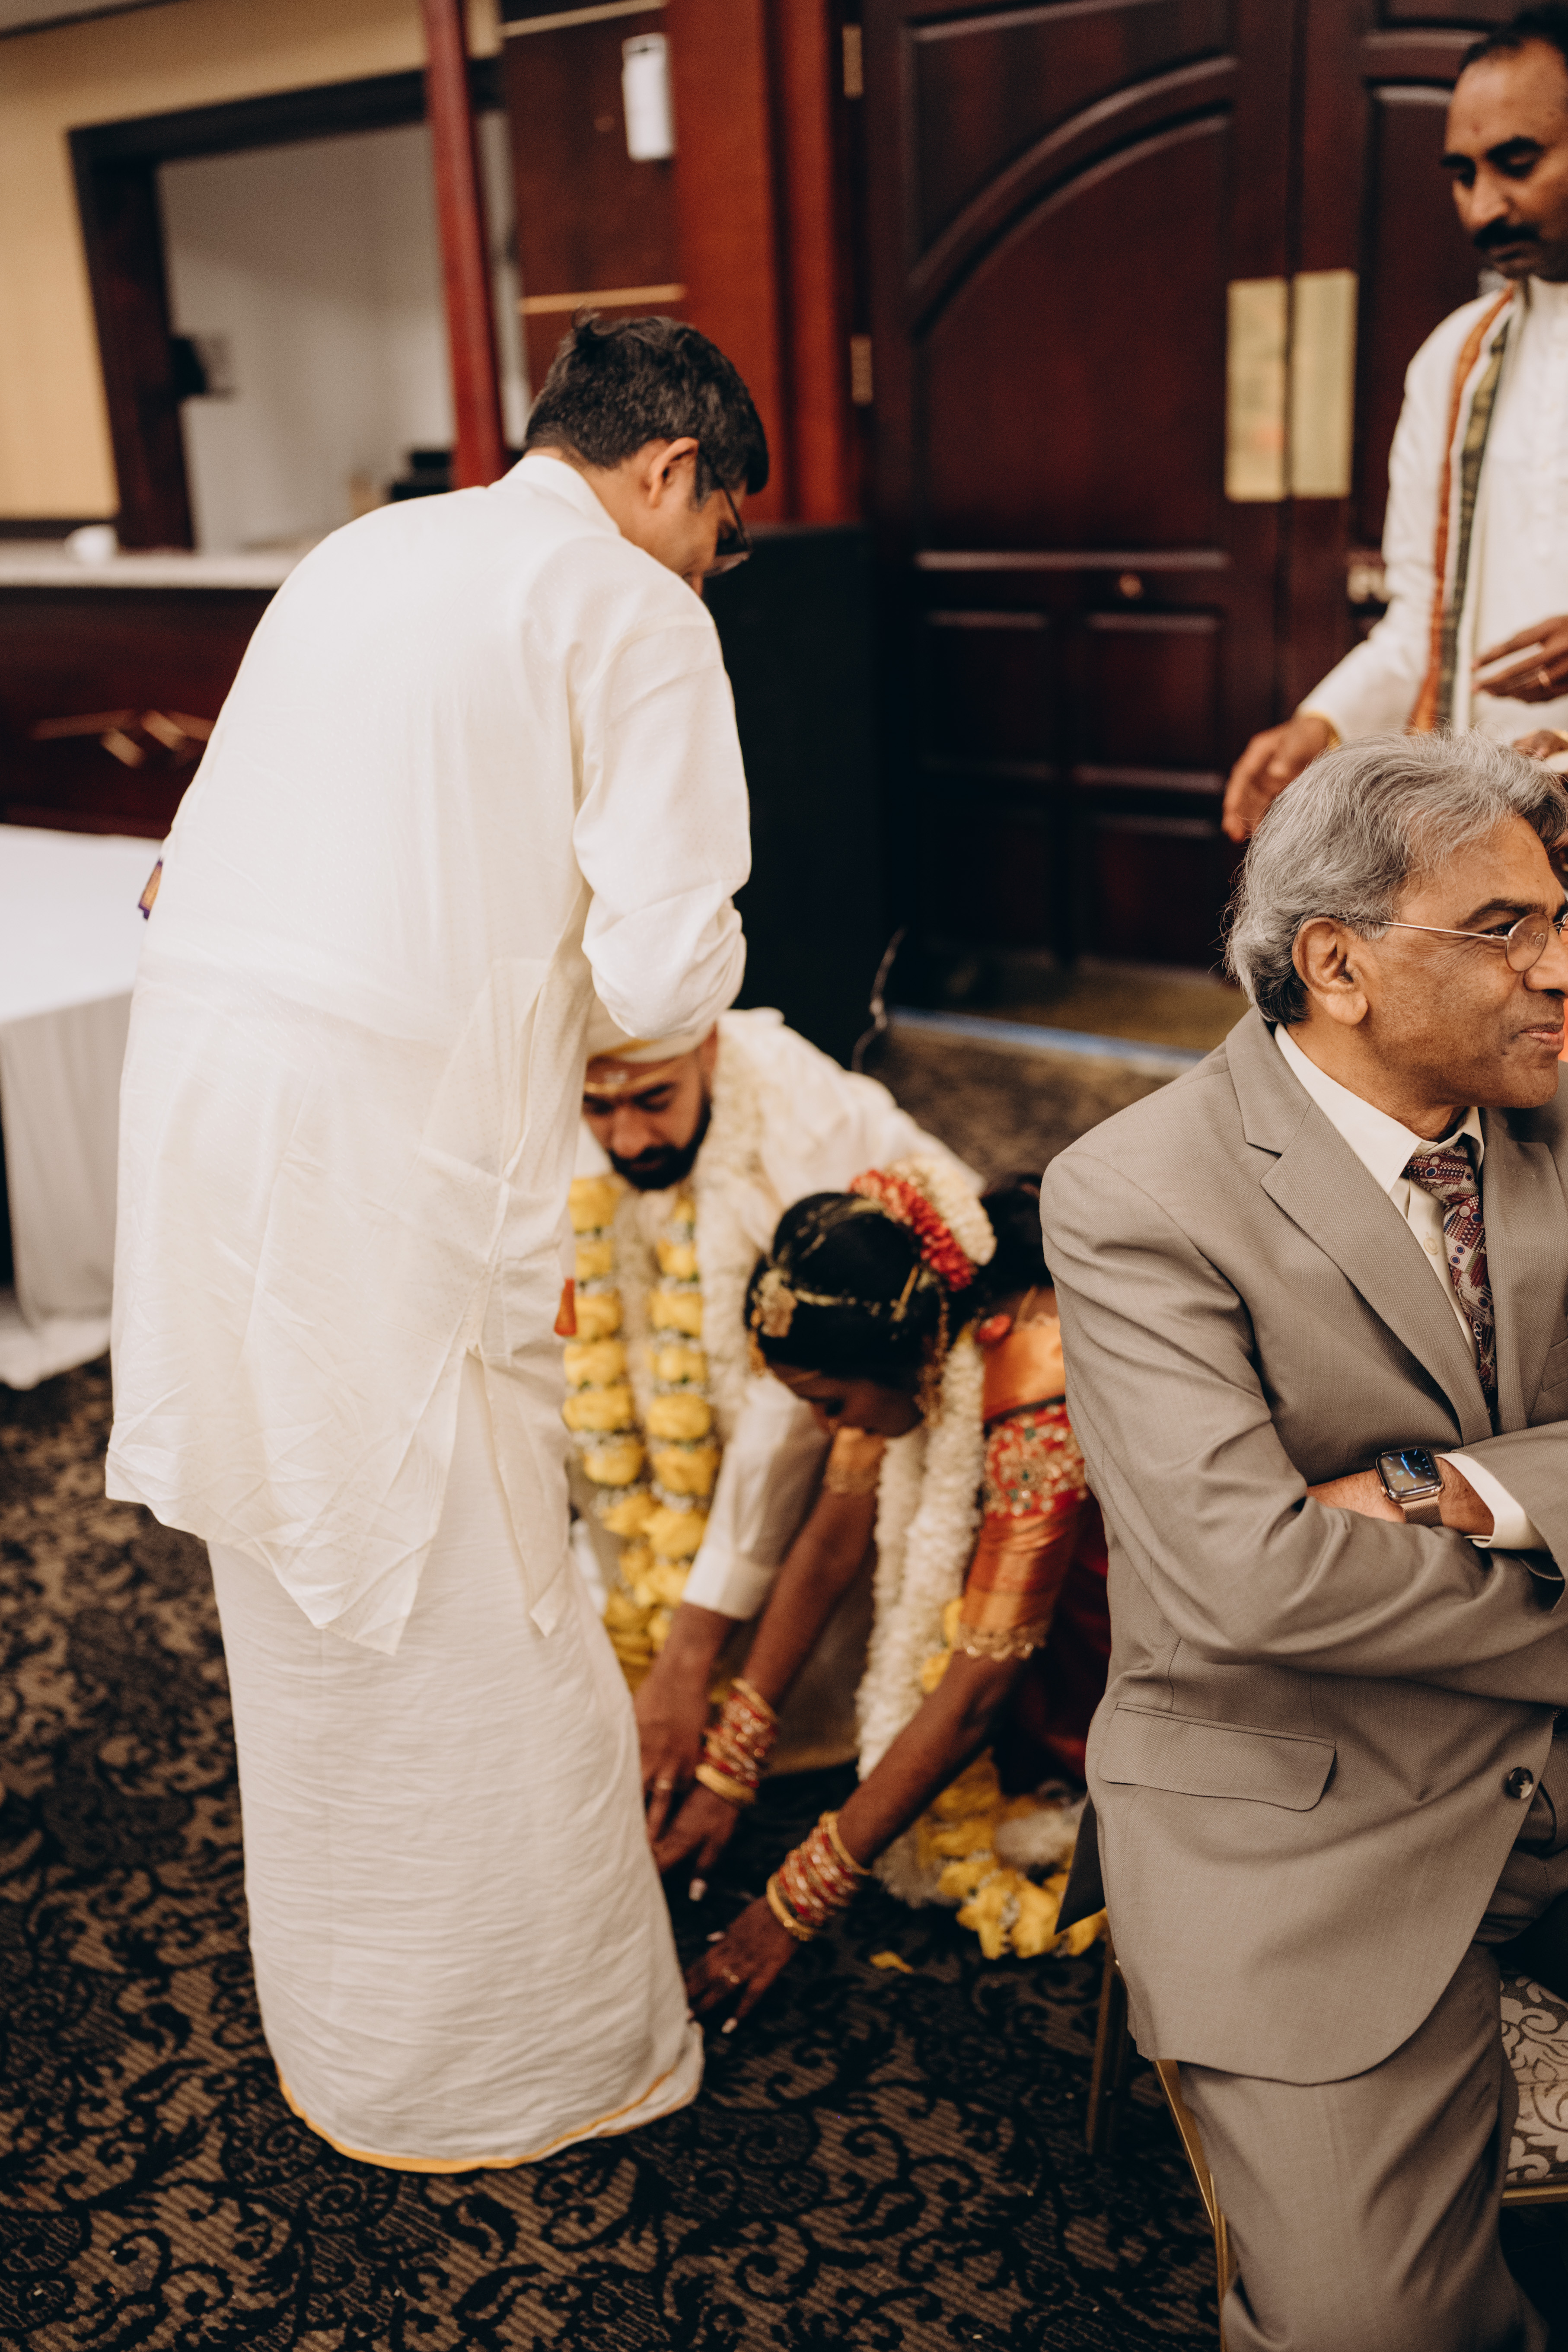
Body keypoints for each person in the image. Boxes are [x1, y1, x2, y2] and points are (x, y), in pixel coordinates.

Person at [105, 315, 767, 2169]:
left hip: (199, 1109)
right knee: (474, 1603)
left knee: (300, 1590)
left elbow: (185, 863)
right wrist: (589, 980)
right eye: (718, 533)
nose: (708, 570)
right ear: (670, 470)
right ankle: (516, 2063)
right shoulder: (633, 611)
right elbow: (666, 978)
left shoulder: (361, 553)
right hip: (385, 1153)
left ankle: (352, 2028)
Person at [1043, 732, 1568, 2351]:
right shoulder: (1134, 1193)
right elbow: (1247, 1581)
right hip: (1312, 1813)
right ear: (1335, 964)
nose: (1558, 966)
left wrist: (1438, 1485)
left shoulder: (1550, 1110)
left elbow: (1307, 1550)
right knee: (1374, 2333)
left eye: (1560, 918)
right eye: (1504, 929)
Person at [654, 1158, 1111, 2020]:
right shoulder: (919, 1337)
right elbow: (832, 1538)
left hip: (1121, 1626)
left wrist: (791, 1906)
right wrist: (731, 1763)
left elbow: (979, 1686)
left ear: (904, 1360)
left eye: (831, 1403)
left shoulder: (1037, 1386)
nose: (827, 1426)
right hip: (1019, 1613)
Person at [563, 1002, 973, 1803]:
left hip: (873, 1389)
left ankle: (778, 1738)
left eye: (654, 1099)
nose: (630, 1141)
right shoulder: (553, 1110)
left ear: (709, 1048)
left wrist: (690, 1651)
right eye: (597, 1108)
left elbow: (791, 1412)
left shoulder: (802, 1129)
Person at [1224, 6, 1568, 844]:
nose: (1483, 208)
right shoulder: (1455, 360)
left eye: (1517, 163)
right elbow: (1423, 616)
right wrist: (1321, 723)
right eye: (1462, 174)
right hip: (1498, 825)